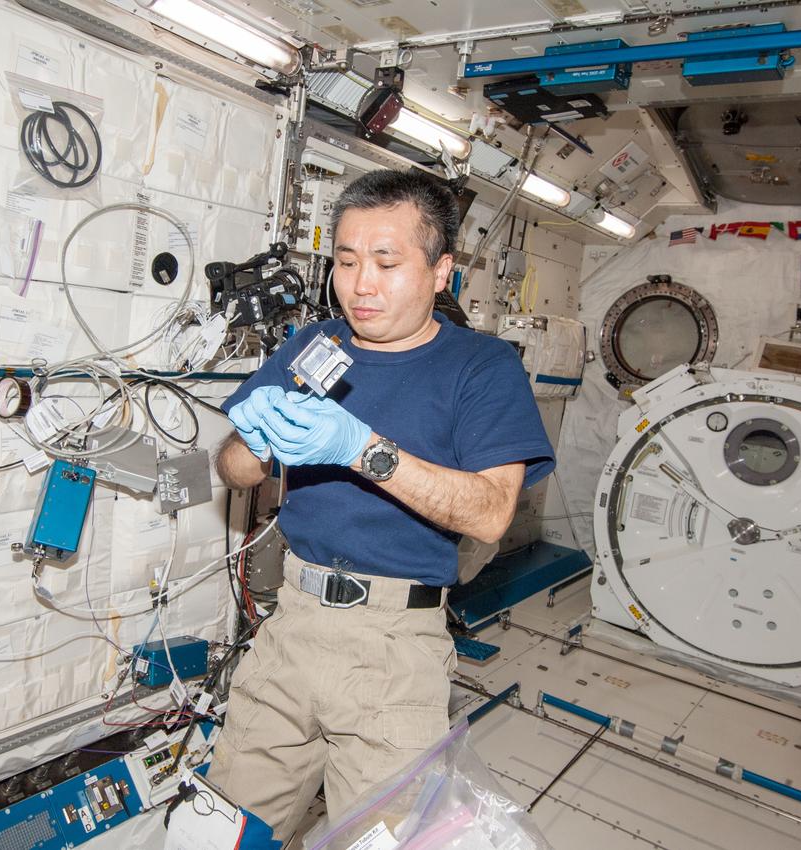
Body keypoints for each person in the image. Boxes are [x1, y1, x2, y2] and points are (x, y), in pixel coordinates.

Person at [209, 169, 555, 842]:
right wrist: (254, 441)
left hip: (396, 646)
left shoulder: (482, 368)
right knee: (223, 827)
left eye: (387, 262)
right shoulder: (313, 348)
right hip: (292, 628)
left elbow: (490, 512)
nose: (360, 284)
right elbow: (231, 468)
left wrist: (361, 447)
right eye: (345, 261)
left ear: (440, 271)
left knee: (387, 837)